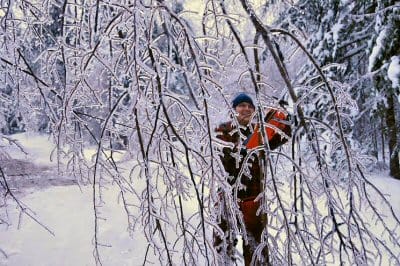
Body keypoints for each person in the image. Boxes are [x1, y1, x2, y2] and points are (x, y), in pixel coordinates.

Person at [214, 92, 291, 265]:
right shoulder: (223, 130)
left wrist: (281, 116)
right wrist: (240, 150)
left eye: (250, 107)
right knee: (223, 244)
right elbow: (220, 156)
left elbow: (281, 135)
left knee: (256, 248)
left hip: (253, 199)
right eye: (241, 105)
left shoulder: (260, 132)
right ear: (233, 110)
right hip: (227, 198)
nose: (246, 109)